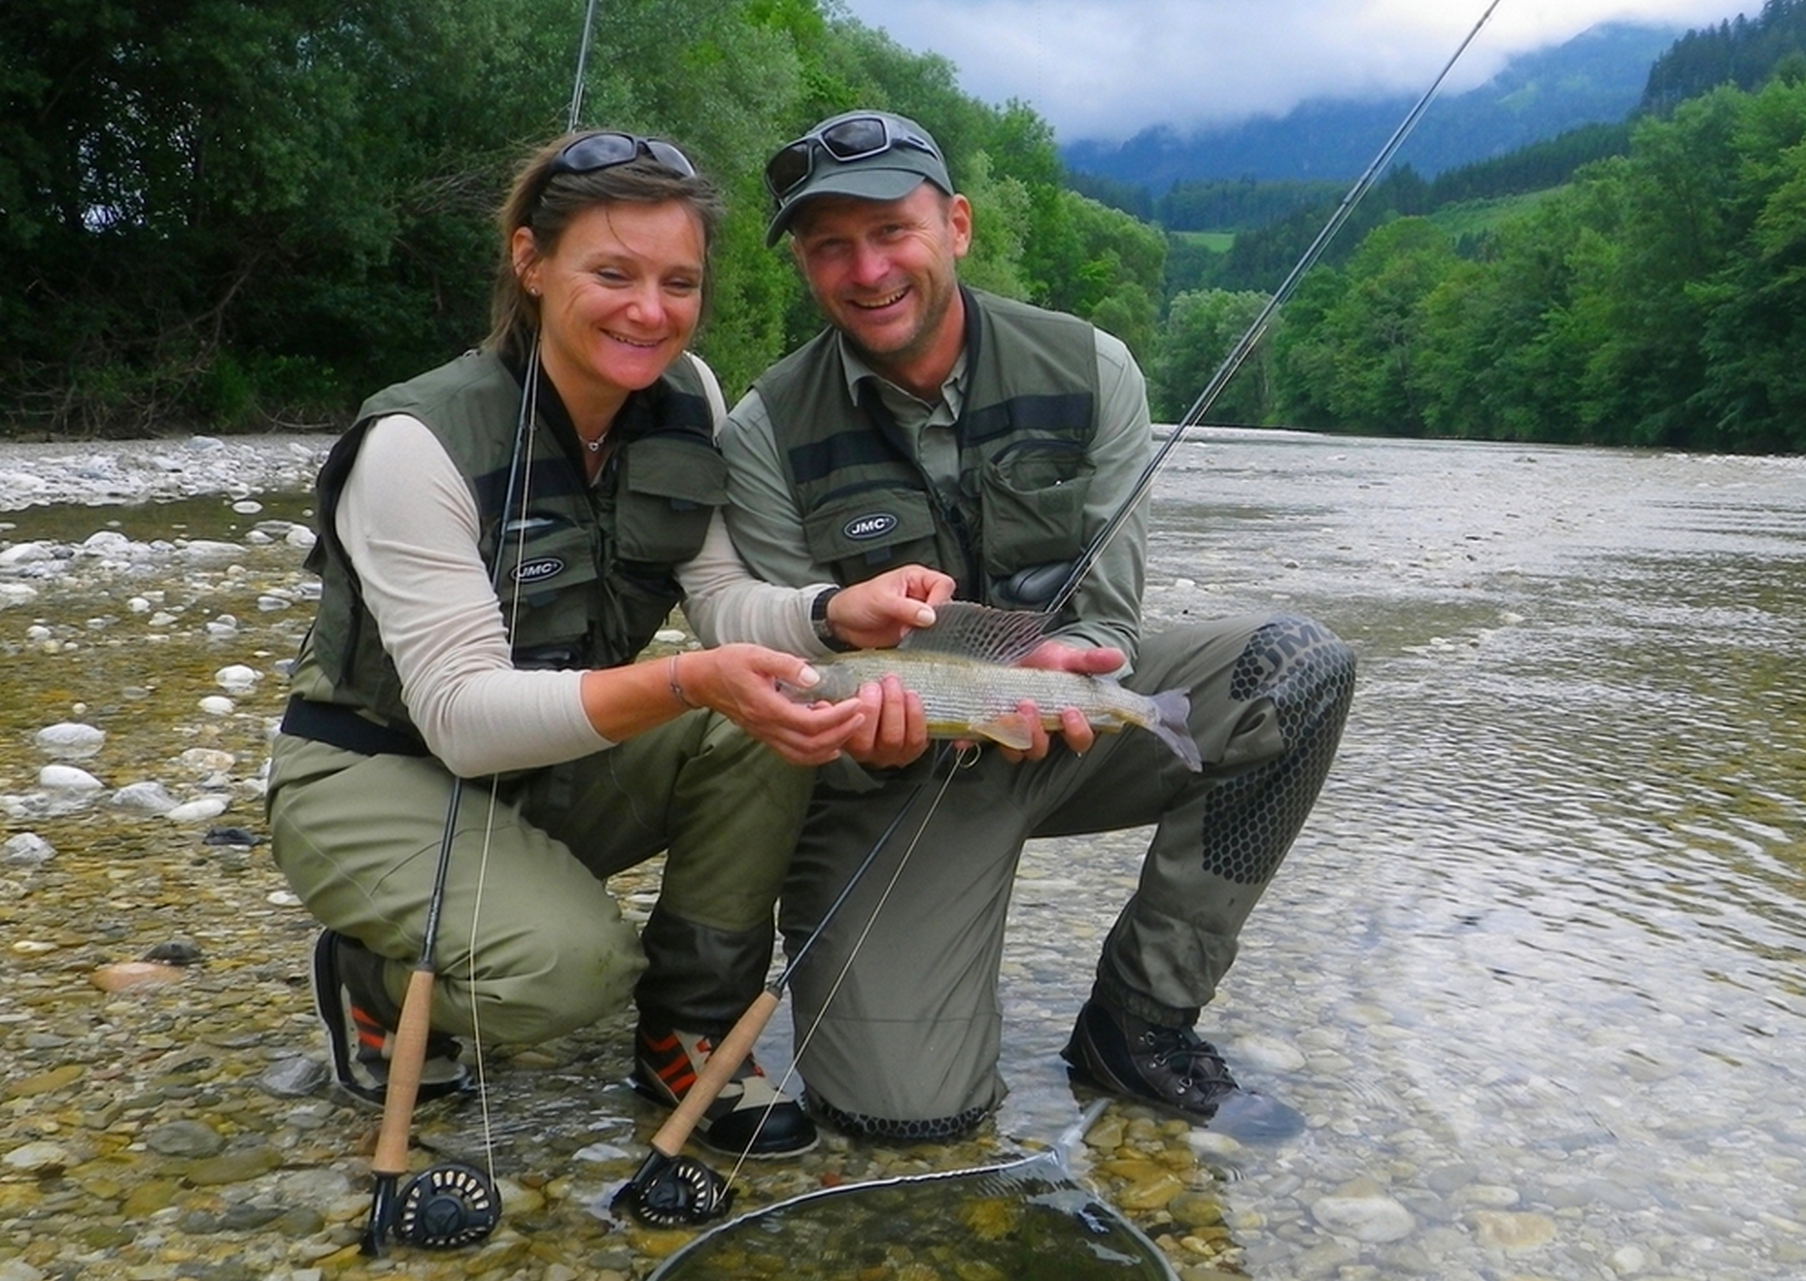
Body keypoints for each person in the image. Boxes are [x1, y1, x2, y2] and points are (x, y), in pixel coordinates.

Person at [265, 129, 950, 1161]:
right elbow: (459, 721)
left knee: (778, 712)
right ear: (531, 264)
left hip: (546, 765)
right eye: (613, 273)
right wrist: (683, 681)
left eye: (679, 282)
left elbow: (718, 598)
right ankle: (364, 980)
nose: (650, 309)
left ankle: (689, 1029)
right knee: (568, 975)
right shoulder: (417, 442)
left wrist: (829, 613)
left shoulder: (691, 400)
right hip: (377, 769)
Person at [702, 109, 1358, 1140]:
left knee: (1297, 668)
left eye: (891, 231)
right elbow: (793, 661)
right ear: (801, 265)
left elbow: (1110, 621)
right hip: (888, 776)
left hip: (1062, 727)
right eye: (829, 245)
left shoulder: (1090, 369)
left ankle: (1141, 1018)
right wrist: (856, 743)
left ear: (955, 225)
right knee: (905, 1118)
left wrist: (1080, 659)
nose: (866, 269)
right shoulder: (763, 430)